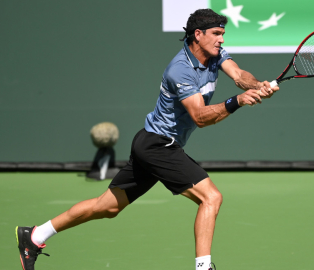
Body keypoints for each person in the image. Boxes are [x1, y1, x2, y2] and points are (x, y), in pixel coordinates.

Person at [15, 8, 279, 270]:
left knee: (106, 207)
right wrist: (237, 102)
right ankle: (203, 268)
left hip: (152, 143)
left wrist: (257, 86)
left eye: (223, 34)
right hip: (157, 145)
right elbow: (200, 117)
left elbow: (238, 74)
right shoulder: (180, 70)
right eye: (217, 34)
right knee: (211, 197)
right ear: (198, 35)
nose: (222, 40)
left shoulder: (215, 55)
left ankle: (34, 237)